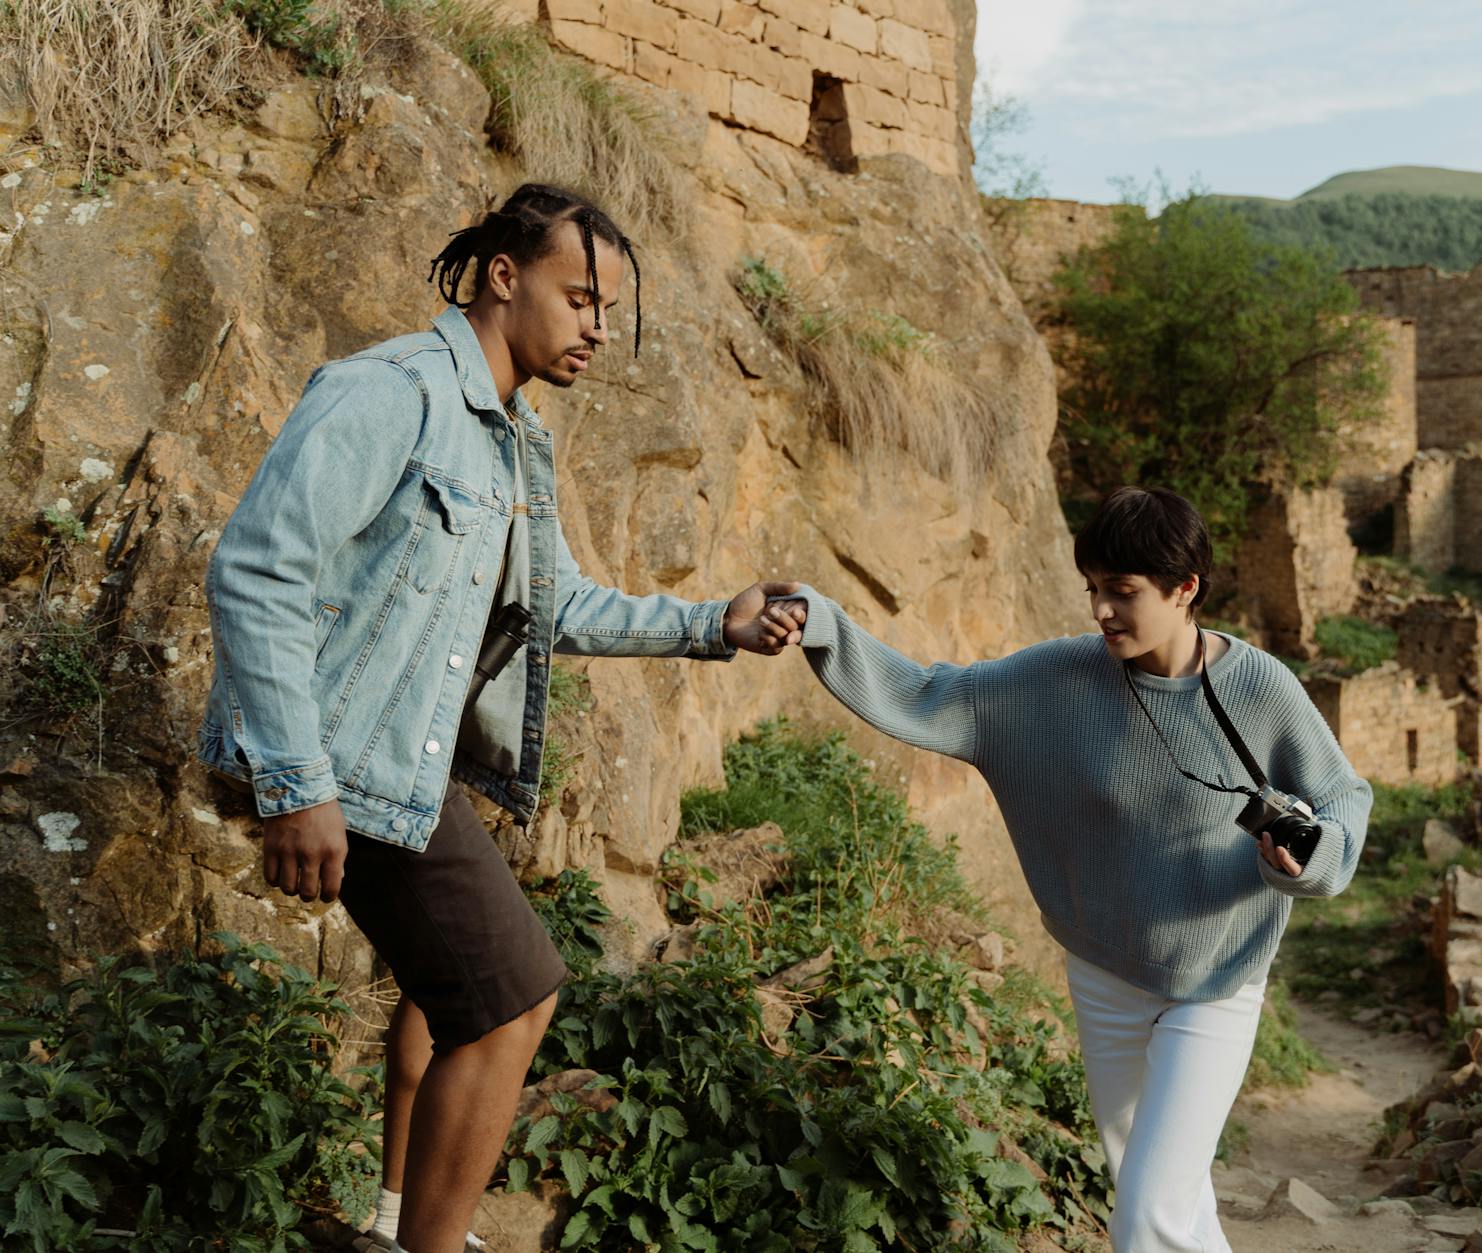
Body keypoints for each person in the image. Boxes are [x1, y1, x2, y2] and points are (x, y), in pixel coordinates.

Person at [197, 184, 803, 1253]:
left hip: (397, 768)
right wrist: (297, 783)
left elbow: (556, 603)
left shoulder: (518, 442)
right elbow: (255, 571)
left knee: (478, 993)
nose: (597, 331)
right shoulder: (388, 391)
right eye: (579, 299)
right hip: (342, 759)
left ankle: (408, 1221)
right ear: (502, 275)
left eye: (606, 310)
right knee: (513, 993)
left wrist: (718, 620)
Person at [764, 485, 1372, 1253]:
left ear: (1185, 589)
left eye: (1123, 592)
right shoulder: (1056, 678)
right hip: (1105, 973)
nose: (1101, 611)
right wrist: (824, 623)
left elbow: (1343, 798)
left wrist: (1308, 862)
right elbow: (929, 692)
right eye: (1093, 589)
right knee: (1169, 1200)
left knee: (1147, 1212)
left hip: (1219, 978)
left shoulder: (1261, 687)